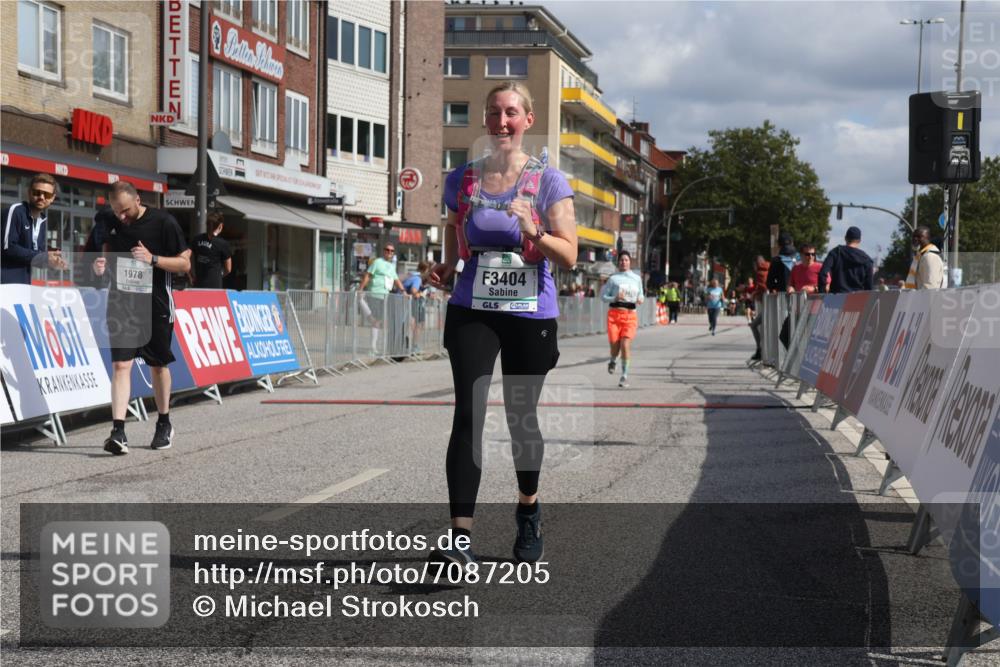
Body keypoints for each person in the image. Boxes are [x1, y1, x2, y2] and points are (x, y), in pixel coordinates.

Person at [427, 81, 577, 567]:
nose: (502, 121)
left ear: (528, 120)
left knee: (520, 417)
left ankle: (528, 509)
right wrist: (449, 265)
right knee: (468, 412)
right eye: (494, 112)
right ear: (486, 120)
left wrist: (534, 229)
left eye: (512, 112)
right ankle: (459, 537)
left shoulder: (548, 182)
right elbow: (456, 231)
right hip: (474, 304)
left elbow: (570, 254)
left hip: (530, 310)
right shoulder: (462, 180)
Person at [93, 181, 190, 455]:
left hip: (155, 304)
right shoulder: (107, 221)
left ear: (138, 199)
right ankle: (118, 431)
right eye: (116, 211)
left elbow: (185, 264)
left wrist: (153, 259)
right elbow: (102, 255)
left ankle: (164, 423)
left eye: (125, 211)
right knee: (121, 366)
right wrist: (98, 265)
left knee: (157, 366)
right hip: (122, 304)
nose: (121, 217)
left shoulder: (164, 222)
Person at [2, 173, 66, 284]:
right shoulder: (16, 211)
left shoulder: (42, 221)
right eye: (37, 192)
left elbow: (34, 257)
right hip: (4, 283)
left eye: (47, 195)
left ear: (53, 198)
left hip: (23, 284)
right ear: (29, 192)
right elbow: (8, 247)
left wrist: (52, 261)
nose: (41, 197)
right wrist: (44, 257)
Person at [601, 250, 644, 388]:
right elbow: (603, 297)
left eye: (626, 260)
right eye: (621, 260)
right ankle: (613, 360)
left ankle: (624, 376)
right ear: (618, 262)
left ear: (629, 262)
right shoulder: (613, 279)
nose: (623, 262)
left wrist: (640, 299)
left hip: (630, 315)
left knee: (625, 345)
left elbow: (641, 294)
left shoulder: (637, 278)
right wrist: (614, 297)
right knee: (615, 345)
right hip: (614, 315)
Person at [359, 244, 406, 355]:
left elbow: (396, 280)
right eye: (387, 250)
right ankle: (372, 348)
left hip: (385, 297)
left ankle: (374, 347)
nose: (389, 252)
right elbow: (368, 275)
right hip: (375, 294)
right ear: (384, 251)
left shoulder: (391, 266)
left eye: (392, 251)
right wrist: (360, 288)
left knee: (378, 321)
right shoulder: (377, 262)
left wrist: (404, 291)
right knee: (375, 321)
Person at [818, 226, 874, 294]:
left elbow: (823, 273)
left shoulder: (836, 252)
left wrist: (822, 292)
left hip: (835, 298)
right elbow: (869, 287)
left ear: (845, 238)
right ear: (859, 241)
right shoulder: (867, 260)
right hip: (857, 300)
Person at [188, 211, 232, 289]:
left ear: (206, 224)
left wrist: (190, 275)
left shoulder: (196, 239)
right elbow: (228, 269)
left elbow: (186, 257)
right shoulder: (223, 244)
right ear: (220, 226)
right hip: (215, 285)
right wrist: (219, 274)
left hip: (198, 283)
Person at [403, 260, 430, 351]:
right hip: (412, 303)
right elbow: (414, 291)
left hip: (409, 303)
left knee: (414, 325)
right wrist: (420, 294)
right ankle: (413, 346)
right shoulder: (417, 278)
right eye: (428, 270)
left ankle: (410, 346)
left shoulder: (413, 275)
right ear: (425, 270)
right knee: (415, 325)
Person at [748, 255, 770, 361]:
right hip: (771, 304)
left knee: (754, 325)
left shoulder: (760, 273)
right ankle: (762, 350)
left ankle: (760, 350)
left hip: (768, 305)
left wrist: (755, 293)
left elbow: (764, 287)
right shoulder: (769, 267)